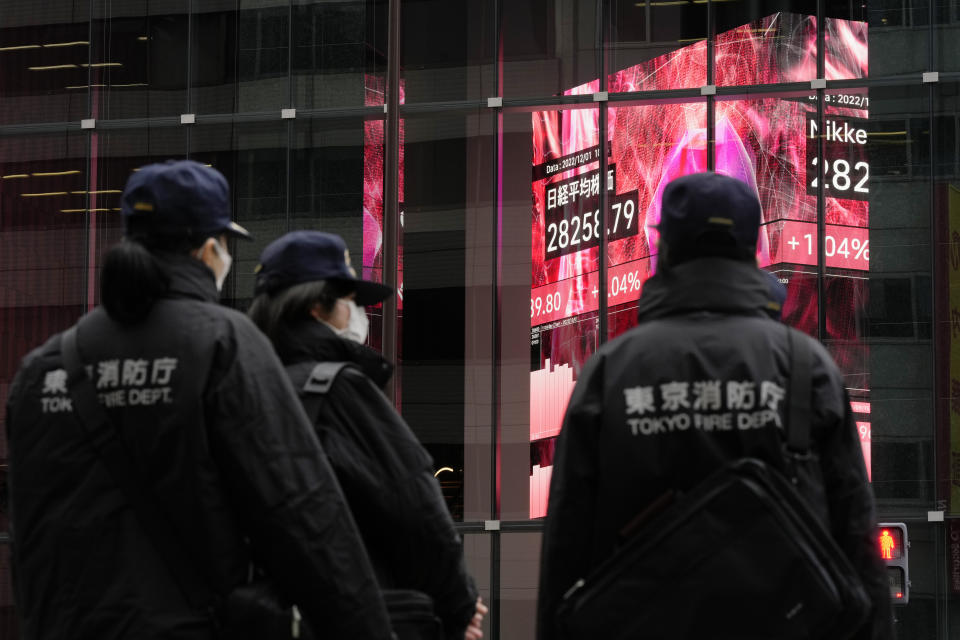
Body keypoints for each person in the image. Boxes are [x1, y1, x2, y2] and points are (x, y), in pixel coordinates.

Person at [5, 161, 392, 640]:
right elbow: (304, 511)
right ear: (211, 249)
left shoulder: (42, 369)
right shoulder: (225, 346)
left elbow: (26, 536)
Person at [536, 172, 891, 640]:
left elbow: (566, 545)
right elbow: (857, 543)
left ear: (665, 249)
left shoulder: (611, 372)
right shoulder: (806, 367)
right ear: (751, 249)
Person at [248, 230, 486, 640]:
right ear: (318, 308)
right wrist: (458, 605)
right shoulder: (338, 388)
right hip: (364, 611)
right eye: (352, 301)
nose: (358, 313)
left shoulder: (245, 391)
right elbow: (414, 504)